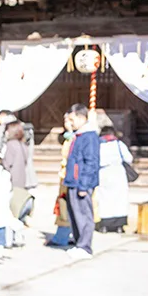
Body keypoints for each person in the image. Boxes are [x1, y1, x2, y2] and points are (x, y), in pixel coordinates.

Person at [63, 103, 100, 259]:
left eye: (72, 119)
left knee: (84, 214)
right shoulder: (78, 135)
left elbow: (90, 162)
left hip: (81, 181)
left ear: (81, 117)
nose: (70, 123)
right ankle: (79, 242)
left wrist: (84, 184)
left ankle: (85, 246)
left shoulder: (89, 137)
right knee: (75, 214)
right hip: (73, 180)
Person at [47, 111, 78, 247]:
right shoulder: (68, 138)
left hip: (71, 175)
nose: (67, 124)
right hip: (65, 174)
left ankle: (63, 235)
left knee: (66, 205)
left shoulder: (76, 139)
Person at [1, 120, 34, 245]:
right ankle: (19, 237)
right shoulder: (23, 145)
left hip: (11, 180)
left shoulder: (11, 145)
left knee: (10, 212)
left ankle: (8, 240)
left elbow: (7, 163)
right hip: (21, 180)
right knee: (18, 212)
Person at [97, 125, 133, 233]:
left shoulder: (98, 145)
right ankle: (119, 225)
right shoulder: (119, 144)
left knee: (104, 198)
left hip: (103, 173)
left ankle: (104, 224)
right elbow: (129, 158)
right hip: (118, 172)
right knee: (120, 198)